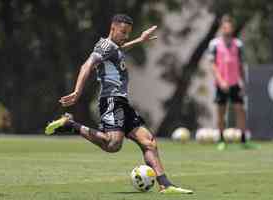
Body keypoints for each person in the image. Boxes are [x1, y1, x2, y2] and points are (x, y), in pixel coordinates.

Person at [45, 14, 193, 194]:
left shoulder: (113, 47)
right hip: (111, 100)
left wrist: (140, 39)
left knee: (149, 142)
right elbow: (87, 66)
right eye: (123, 32)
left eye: (128, 33)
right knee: (113, 144)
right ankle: (70, 125)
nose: (125, 36)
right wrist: (77, 92)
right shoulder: (105, 46)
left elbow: (119, 49)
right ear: (112, 28)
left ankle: (165, 185)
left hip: (122, 102)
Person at [208, 16, 258, 150]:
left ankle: (243, 140)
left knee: (240, 111)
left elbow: (241, 65)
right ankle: (221, 140)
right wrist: (221, 81)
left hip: (235, 83)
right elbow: (213, 65)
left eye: (229, 26)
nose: (227, 29)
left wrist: (243, 82)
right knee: (221, 113)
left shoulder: (238, 44)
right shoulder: (214, 44)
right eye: (224, 27)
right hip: (221, 84)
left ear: (232, 28)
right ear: (221, 28)